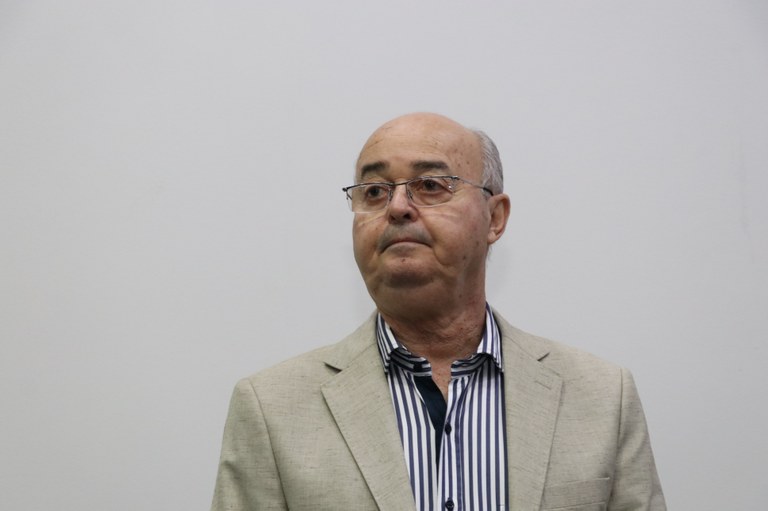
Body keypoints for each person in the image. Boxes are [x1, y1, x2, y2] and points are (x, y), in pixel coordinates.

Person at [211, 112, 666, 510]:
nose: (397, 207)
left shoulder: (603, 398)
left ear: (494, 218)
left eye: (430, 186)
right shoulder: (271, 409)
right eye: (374, 191)